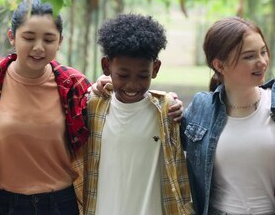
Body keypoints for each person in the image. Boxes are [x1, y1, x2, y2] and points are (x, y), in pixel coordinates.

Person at [0, 0, 91, 214]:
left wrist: (166, 104)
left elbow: (106, 123)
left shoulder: (74, 85)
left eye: (49, 40)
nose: (39, 48)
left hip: (59, 205)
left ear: (60, 40)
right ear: (12, 37)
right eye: (29, 38)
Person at [181, 17, 275, 215]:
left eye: (263, 51)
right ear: (220, 65)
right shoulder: (201, 109)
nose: (262, 62)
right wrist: (170, 107)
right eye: (249, 56)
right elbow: (169, 150)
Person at [83, 13, 194, 215]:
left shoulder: (166, 111)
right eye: (123, 75)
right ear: (106, 66)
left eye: (142, 75)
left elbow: (179, 173)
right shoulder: (92, 107)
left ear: (155, 69)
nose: (133, 85)